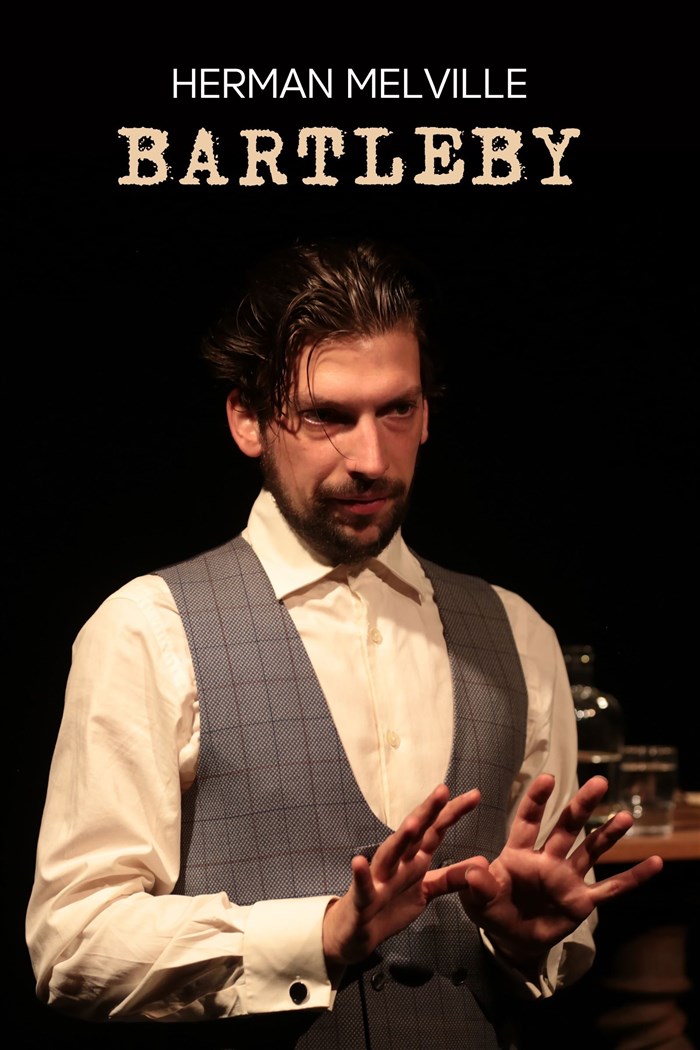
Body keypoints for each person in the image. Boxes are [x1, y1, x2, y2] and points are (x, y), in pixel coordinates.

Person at [26, 238, 662, 1047]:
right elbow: (74, 942)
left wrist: (526, 940)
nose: (370, 458)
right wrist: (321, 935)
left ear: (426, 413)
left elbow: (558, 935)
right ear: (248, 420)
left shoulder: (516, 633)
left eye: (396, 410)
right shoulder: (148, 628)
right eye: (327, 416)